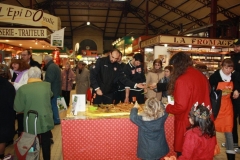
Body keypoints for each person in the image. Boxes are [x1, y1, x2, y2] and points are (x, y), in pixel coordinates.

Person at [150, 52, 211, 157]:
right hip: (203, 120)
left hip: (187, 121)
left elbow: (180, 107)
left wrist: (168, 107)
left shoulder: (182, 79)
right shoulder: (200, 75)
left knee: (184, 151)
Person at [14, 67, 54, 160]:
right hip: (45, 119)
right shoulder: (47, 85)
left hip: (30, 120)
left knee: (31, 141)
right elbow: (51, 95)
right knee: (45, 141)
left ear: (28, 76)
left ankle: (33, 157)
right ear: (40, 75)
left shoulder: (22, 89)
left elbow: (18, 108)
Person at [209, 58, 240, 160]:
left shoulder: (235, 76)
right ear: (222, 67)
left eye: (230, 68)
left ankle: (231, 157)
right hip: (217, 108)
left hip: (228, 108)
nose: (228, 70)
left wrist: (237, 90)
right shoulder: (215, 77)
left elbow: (238, 84)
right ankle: (210, 153)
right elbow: (209, 90)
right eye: (226, 68)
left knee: (229, 131)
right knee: (212, 131)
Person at [10, 59, 30, 137]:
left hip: (22, 99)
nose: (13, 65)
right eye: (13, 64)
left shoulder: (26, 73)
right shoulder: (14, 73)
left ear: (21, 65)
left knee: (21, 118)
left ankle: (21, 137)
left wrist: (13, 84)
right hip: (16, 98)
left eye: (15, 64)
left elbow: (25, 86)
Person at [0, 64, 15, 160]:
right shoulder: (9, 86)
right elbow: (12, 103)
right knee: (2, 138)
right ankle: (1, 156)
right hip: (4, 115)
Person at [43, 55, 61, 125]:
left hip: (53, 90)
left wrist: (42, 83)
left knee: (53, 105)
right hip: (56, 89)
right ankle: (56, 119)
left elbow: (49, 79)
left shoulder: (51, 67)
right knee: (54, 105)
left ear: (46, 61)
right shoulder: (55, 66)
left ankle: (56, 120)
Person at [230, 38, 240, 151]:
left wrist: (238, 89)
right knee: (232, 120)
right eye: (235, 46)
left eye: (238, 46)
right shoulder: (232, 59)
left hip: (238, 92)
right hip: (233, 94)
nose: (236, 48)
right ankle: (234, 143)